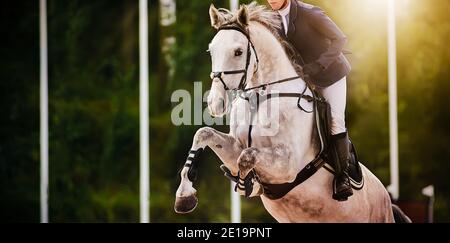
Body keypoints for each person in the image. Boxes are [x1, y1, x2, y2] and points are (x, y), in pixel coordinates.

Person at [267, 0, 353, 201]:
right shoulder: (272, 19)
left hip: (331, 75)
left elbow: (340, 39)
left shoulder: (310, 13)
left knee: (335, 121)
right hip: (304, 78)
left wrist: (318, 65)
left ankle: (343, 177)